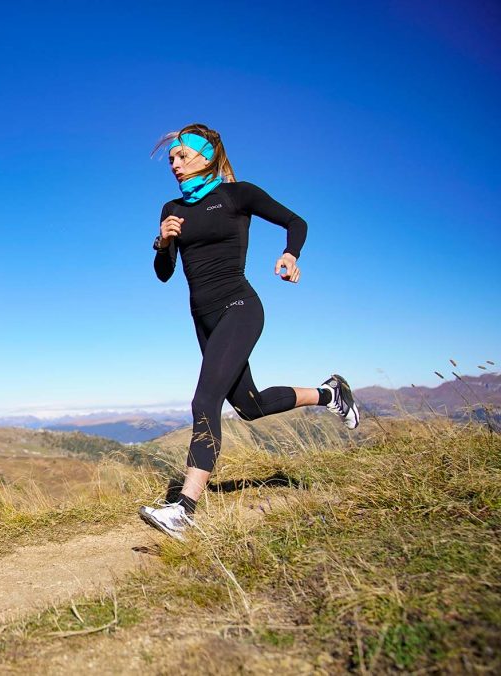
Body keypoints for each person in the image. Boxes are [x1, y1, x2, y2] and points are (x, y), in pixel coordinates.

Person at [137, 123, 359, 542]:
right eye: (171, 159)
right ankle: (330, 393)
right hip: (203, 318)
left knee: (205, 400)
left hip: (240, 307)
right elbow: (165, 275)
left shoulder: (237, 195)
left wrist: (290, 254)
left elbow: (296, 221)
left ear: (206, 155)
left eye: (182, 156)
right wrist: (162, 242)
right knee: (250, 406)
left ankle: (184, 509)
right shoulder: (171, 208)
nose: (174, 164)